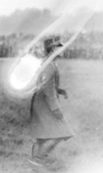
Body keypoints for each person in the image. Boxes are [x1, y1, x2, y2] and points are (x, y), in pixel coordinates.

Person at [29, 37, 74, 168]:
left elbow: (44, 84)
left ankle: (36, 164)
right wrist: (55, 109)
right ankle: (38, 159)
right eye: (60, 47)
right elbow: (47, 90)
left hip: (39, 102)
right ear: (54, 49)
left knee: (42, 135)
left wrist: (59, 90)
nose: (63, 49)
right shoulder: (50, 65)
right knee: (61, 132)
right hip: (45, 104)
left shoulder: (48, 63)